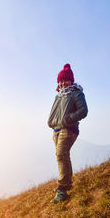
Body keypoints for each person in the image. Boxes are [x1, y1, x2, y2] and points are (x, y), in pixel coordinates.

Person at [47, 63, 88, 203]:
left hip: (69, 129)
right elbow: (54, 112)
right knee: (64, 156)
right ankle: (67, 184)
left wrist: (68, 119)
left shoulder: (76, 93)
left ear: (71, 80)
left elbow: (83, 111)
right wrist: (51, 122)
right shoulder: (59, 96)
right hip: (56, 130)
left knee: (60, 155)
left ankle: (62, 190)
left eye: (66, 80)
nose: (63, 83)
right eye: (61, 81)